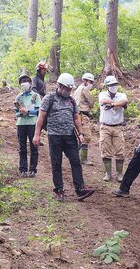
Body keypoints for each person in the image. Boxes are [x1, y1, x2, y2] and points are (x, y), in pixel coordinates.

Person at [33, 73, 94, 202]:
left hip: (69, 136)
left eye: (70, 89)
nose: (68, 91)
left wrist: (81, 133)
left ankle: (80, 188)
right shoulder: (49, 98)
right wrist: (37, 135)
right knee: (56, 163)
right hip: (54, 136)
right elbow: (41, 117)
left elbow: (76, 118)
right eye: (66, 88)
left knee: (76, 161)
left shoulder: (71, 101)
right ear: (59, 86)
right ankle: (59, 190)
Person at [98, 75, 128, 182]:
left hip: (118, 127)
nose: (113, 87)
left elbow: (124, 102)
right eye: (111, 85)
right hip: (105, 127)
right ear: (107, 86)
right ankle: (108, 173)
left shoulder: (121, 95)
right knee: (105, 150)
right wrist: (115, 104)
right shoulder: (102, 94)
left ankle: (120, 174)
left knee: (120, 150)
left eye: (115, 84)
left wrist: (112, 105)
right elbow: (104, 101)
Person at [14, 74, 41, 178]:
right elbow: (15, 112)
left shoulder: (35, 96)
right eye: (22, 82)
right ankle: (23, 169)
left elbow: (38, 111)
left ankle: (33, 169)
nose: (24, 83)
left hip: (32, 124)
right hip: (21, 124)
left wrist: (28, 111)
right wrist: (21, 113)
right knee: (22, 147)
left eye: (26, 81)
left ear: (30, 83)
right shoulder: (18, 97)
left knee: (34, 147)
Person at [73, 73, 95, 165]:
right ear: (85, 81)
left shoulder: (77, 89)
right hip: (82, 114)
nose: (91, 84)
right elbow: (91, 102)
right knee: (86, 136)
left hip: (77, 115)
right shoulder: (84, 89)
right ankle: (83, 158)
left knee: (79, 136)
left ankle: (75, 156)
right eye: (90, 82)